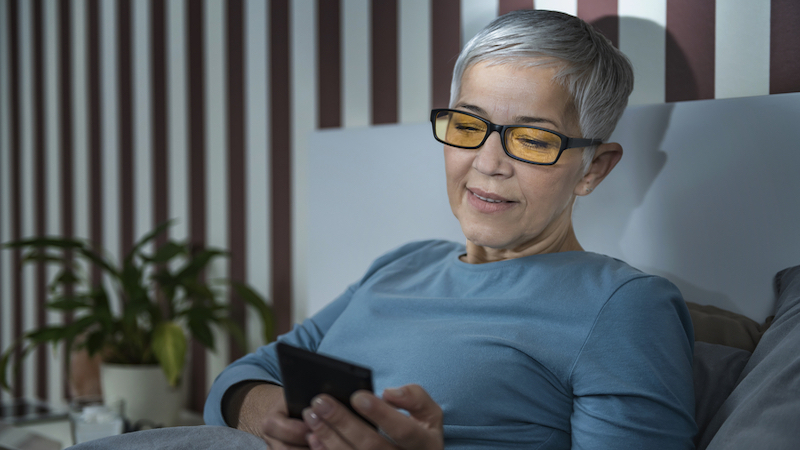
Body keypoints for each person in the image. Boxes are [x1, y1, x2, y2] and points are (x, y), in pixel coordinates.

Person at [204, 10, 697, 450]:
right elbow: (242, 379)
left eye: (531, 139)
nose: (487, 163)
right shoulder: (402, 264)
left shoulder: (624, 306)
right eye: (467, 125)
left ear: (593, 169)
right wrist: (292, 425)